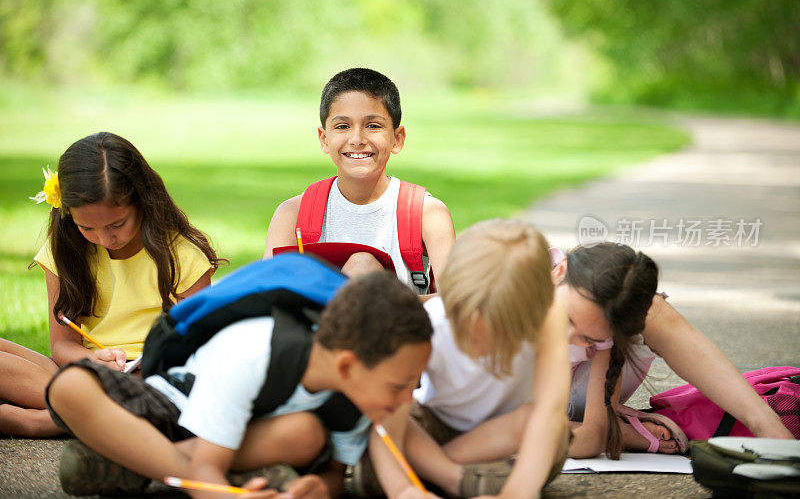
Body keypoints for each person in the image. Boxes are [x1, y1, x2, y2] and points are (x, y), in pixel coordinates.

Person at [46, 268, 433, 498]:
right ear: (348, 365)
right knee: (69, 387)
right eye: (400, 384)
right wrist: (207, 483)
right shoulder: (256, 349)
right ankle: (196, 480)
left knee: (308, 432)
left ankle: (131, 458)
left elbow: (334, 472)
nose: (408, 397)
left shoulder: (358, 396)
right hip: (177, 408)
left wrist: (321, 487)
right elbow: (208, 465)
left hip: (238, 437)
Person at [0, 132, 222, 437]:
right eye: (86, 227)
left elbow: (199, 348)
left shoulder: (182, 255)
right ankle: (80, 410)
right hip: (82, 372)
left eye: (116, 224)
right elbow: (63, 346)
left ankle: (39, 419)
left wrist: (139, 369)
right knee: (69, 383)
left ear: (143, 202)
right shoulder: (64, 250)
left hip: (154, 380)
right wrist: (94, 359)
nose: (104, 239)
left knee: (142, 393)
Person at [360, 219, 571, 499]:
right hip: (433, 428)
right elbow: (389, 414)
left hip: (500, 438)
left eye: (496, 335)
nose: (479, 346)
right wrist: (403, 490)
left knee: (554, 434)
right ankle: (453, 479)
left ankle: (433, 472)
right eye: (468, 333)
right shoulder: (431, 321)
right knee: (386, 420)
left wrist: (517, 494)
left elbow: (549, 410)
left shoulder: (548, 315)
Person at [554, 242, 794, 459]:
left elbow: (591, 438)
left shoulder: (601, 334)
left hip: (574, 396)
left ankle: (768, 427)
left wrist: (591, 432)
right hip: (534, 407)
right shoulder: (520, 279)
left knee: (645, 305)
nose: (564, 336)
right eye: (566, 317)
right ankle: (619, 432)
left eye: (588, 337)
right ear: (558, 270)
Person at [263, 68, 455, 293]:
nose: (357, 139)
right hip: (323, 326)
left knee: (363, 265)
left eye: (373, 126)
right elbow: (268, 297)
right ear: (324, 139)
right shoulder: (292, 215)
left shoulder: (427, 214)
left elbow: (454, 304)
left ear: (397, 139)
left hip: (397, 326)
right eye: (342, 126)